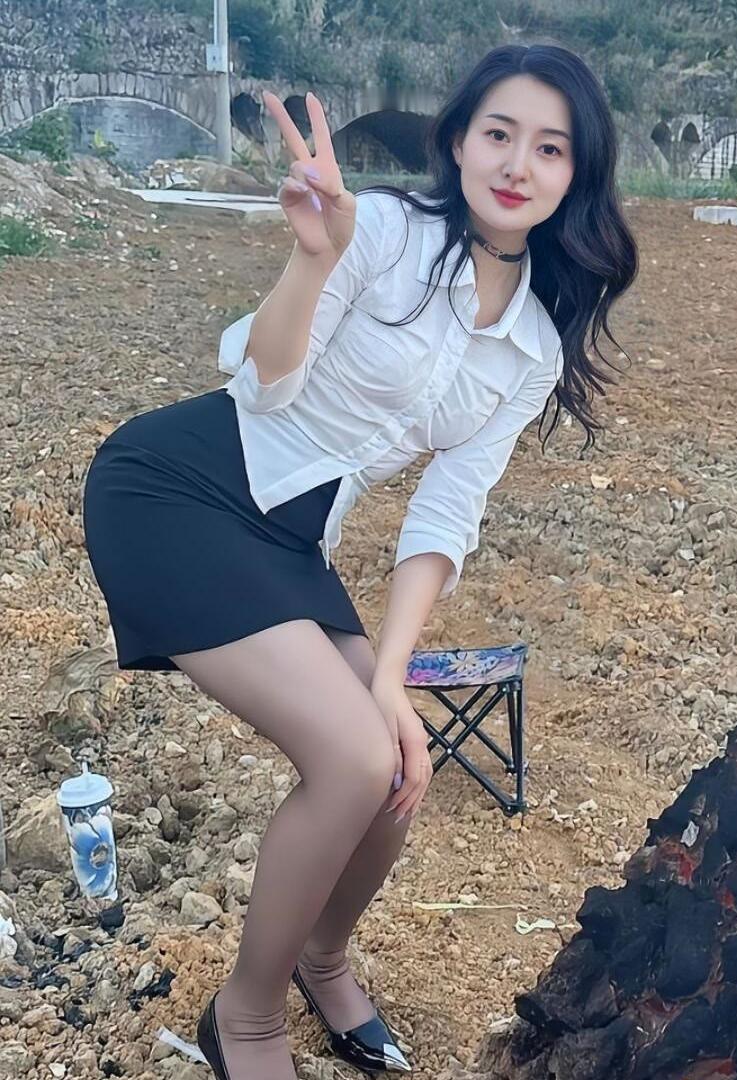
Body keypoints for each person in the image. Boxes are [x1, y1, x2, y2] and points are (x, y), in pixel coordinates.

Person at [81, 43, 637, 1080]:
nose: (518, 163)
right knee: (350, 759)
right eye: (499, 133)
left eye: (550, 147)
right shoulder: (378, 229)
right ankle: (246, 1016)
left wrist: (391, 676)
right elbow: (263, 387)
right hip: (178, 489)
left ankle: (322, 959)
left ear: (577, 174)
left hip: (293, 538)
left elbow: (447, 510)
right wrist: (314, 258)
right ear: (458, 142)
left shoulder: (533, 345)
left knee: (395, 769)